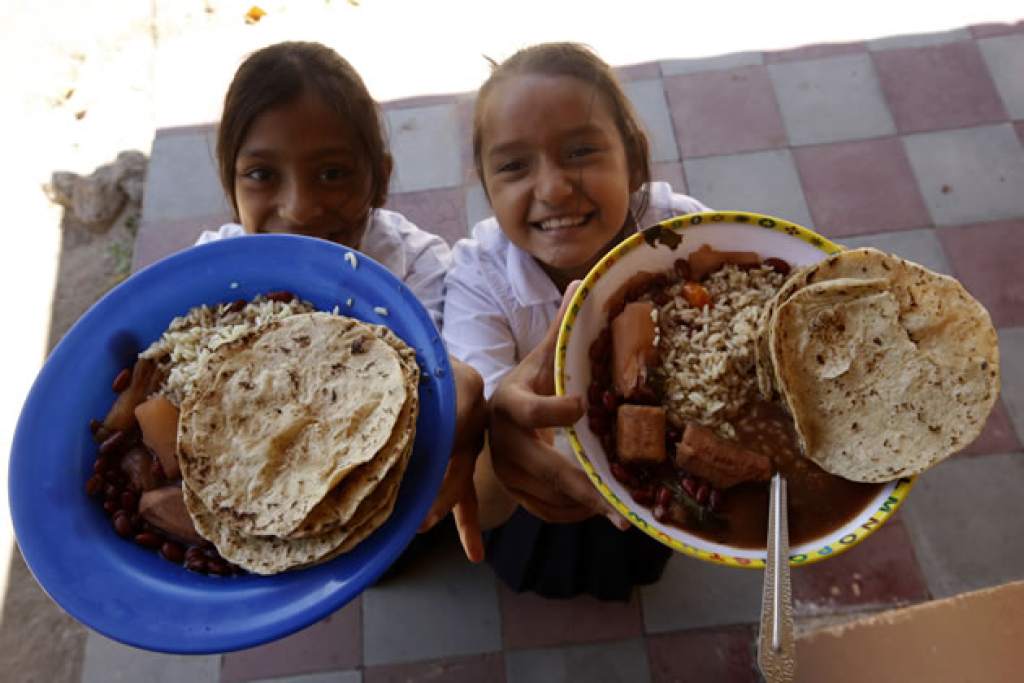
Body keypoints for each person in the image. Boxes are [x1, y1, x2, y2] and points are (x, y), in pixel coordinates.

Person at [196, 41, 485, 563]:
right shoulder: (207, 279)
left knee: (403, 547)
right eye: (262, 175)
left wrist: (465, 401)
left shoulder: (415, 269)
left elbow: (443, 391)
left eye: (332, 173)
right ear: (229, 184)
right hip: (263, 513)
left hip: (405, 497)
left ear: (379, 178)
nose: (300, 208)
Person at [443, 42, 710, 600]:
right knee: (546, 564)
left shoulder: (682, 233)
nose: (553, 188)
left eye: (581, 151)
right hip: (537, 499)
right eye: (514, 166)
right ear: (488, 188)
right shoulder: (477, 280)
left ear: (634, 160)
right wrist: (498, 429)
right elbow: (488, 475)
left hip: (664, 469)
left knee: (640, 547)